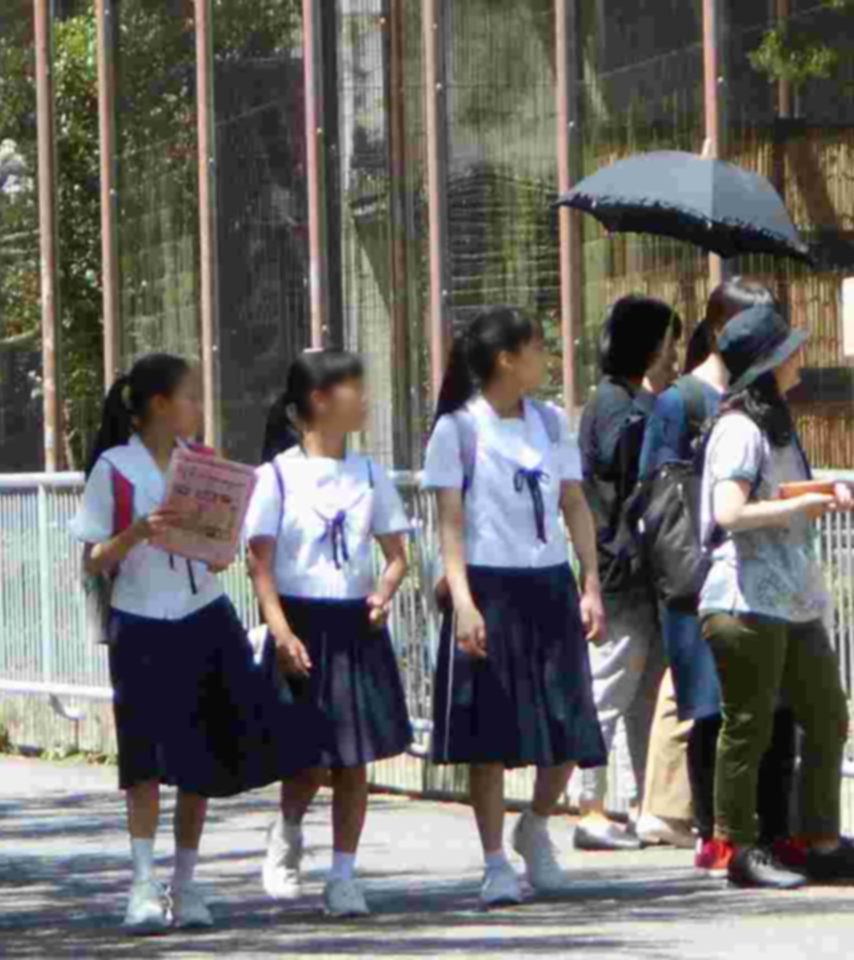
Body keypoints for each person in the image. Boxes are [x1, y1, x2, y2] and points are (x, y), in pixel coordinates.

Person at [70, 353, 317, 933]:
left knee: (202, 750)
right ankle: (141, 884)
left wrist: (215, 539)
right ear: (159, 405)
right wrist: (138, 532)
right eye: (189, 397)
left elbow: (223, 553)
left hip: (202, 613)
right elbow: (93, 560)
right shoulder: (114, 467)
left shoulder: (200, 462)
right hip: (140, 619)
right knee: (145, 760)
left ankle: (186, 881)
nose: (197, 408)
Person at [423, 307, 607, 908]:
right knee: (491, 736)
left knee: (570, 723)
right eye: (537, 347)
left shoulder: (552, 422)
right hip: (488, 587)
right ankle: (495, 860)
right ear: (507, 359)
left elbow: (574, 504)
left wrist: (590, 582)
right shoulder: (457, 429)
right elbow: (449, 523)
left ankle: (535, 824)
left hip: (548, 582)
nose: (546, 358)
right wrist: (466, 601)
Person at [246, 349, 413, 918]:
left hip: (352, 624)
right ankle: (287, 830)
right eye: (354, 390)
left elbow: (396, 556)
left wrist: (383, 592)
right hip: (299, 622)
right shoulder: (275, 476)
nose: (364, 401)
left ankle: (343, 873)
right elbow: (260, 564)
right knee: (308, 758)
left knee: (353, 757)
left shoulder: (369, 473)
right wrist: (280, 630)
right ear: (320, 401)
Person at [637, 278, 797, 873]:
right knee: (708, 707)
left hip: (761, 575)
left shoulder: (765, 399)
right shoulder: (681, 401)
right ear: (724, 325)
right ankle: (712, 830)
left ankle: (766, 829)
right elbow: (655, 497)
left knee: (765, 706)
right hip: (699, 574)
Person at [699, 303, 854, 889]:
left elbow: (780, 490)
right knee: (749, 726)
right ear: (767, 365)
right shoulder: (739, 427)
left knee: (827, 716)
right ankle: (736, 847)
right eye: (789, 351)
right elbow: (728, 512)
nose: (799, 358)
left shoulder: (777, 421)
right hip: (744, 598)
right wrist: (802, 504)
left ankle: (818, 840)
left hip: (793, 599)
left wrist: (819, 491)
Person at [573, 295, 682, 851]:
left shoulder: (626, 400)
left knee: (643, 696)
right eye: (669, 343)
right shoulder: (616, 403)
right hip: (618, 572)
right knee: (610, 690)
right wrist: (657, 409)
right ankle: (590, 805)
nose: (674, 357)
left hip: (638, 572)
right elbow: (625, 456)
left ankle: (646, 806)